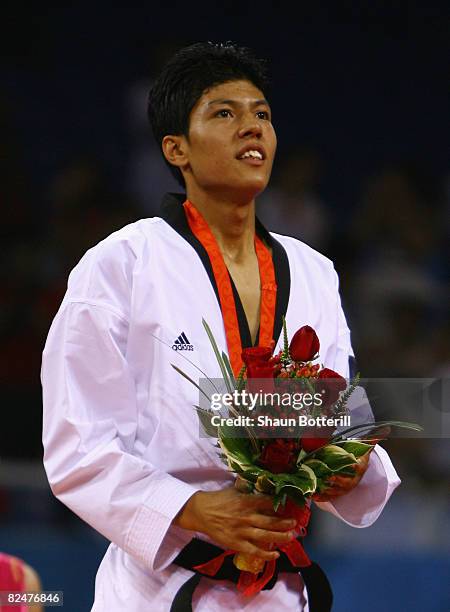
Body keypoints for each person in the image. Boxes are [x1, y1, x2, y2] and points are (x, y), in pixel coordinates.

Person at [42, 42, 400, 611]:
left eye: (261, 114)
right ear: (176, 148)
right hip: (159, 590)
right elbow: (78, 447)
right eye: (224, 113)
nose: (251, 128)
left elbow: (345, 414)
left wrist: (350, 467)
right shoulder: (121, 265)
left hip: (282, 590)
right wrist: (190, 509)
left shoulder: (314, 271)